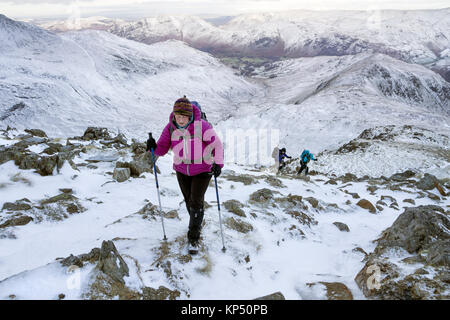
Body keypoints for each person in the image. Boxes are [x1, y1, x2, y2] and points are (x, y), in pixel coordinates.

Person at [146, 96, 224, 253]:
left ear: (190, 116)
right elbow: (161, 149)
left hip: (203, 169)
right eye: (178, 116)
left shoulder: (201, 126)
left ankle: (193, 238)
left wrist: (218, 164)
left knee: (195, 201)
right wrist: (152, 146)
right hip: (182, 171)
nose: (180, 120)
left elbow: (217, 145)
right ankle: (196, 220)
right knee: (189, 201)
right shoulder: (170, 128)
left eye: (183, 116)